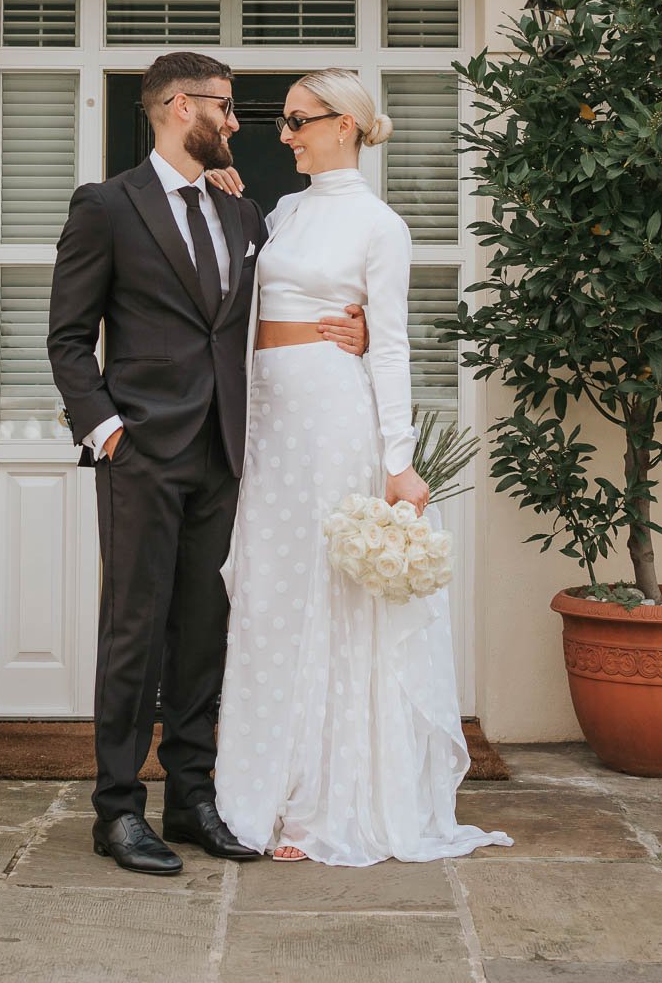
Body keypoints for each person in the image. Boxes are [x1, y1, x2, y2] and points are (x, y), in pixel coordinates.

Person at [45, 52, 368, 876]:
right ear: (179, 106)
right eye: (225, 108)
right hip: (141, 456)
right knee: (134, 635)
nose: (236, 124)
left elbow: (277, 312)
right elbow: (69, 337)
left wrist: (354, 332)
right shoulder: (107, 207)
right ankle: (117, 811)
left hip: (227, 456)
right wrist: (107, 430)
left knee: (202, 636)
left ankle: (192, 799)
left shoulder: (243, 213)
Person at [206, 69, 511, 866]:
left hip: (332, 415)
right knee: (272, 591)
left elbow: (395, 343)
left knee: (329, 597)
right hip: (269, 415)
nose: (286, 134)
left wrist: (398, 461)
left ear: (346, 125)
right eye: (283, 122)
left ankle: (322, 805)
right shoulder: (282, 210)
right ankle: (260, 793)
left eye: (300, 121)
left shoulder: (381, 225)